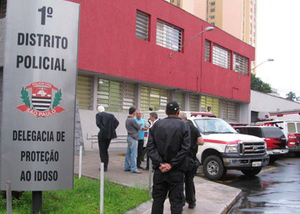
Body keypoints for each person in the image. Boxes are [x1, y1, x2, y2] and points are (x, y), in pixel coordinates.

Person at [147, 101, 190, 214]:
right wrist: (171, 164)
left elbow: (150, 148)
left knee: (158, 200)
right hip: (176, 171)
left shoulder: (156, 125)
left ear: (166, 112)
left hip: (160, 170)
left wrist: (160, 163)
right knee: (176, 202)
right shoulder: (184, 126)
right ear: (178, 112)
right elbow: (185, 149)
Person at [179, 112, 204, 209]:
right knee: (189, 180)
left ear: (181, 119)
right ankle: (191, 202)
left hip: (180, 159)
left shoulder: (179, 128)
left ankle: (181, 202)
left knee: (179, 181)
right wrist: (194, 143)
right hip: (191, 159)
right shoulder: (193, 128)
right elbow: (201, 141)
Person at [96, 105, 119, 171]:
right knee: (105, 150)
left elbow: (98, 124)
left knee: (102, 151)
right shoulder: (111, 115)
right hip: (109, 135)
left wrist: (103, 129)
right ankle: (105, 165)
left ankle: (104, 166)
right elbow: (117, 122)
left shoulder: (98, 115)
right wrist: (111, 129)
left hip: (102, 135)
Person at [124, 106, 142, 174]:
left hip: (129, 136)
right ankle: (134, 168)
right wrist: (140, 124)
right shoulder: (132, 120)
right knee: (134, 154)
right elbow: (138, 127)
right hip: (134, 137)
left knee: (128, 153)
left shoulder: (127, 119)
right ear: (134, 112)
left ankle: (127, 166)